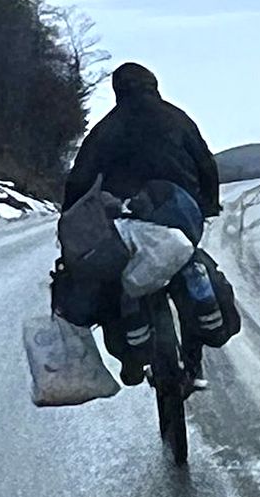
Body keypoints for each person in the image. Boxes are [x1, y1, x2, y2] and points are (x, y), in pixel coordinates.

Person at [62, 62, 221, 389]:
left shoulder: (106, 128)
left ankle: (131, 359)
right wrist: (209, 203)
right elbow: (206, 163)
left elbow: (79, 178)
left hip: (127, 220)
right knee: (186, 264)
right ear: (154, 85)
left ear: (118, 91)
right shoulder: (178, 118)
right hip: (180, 215)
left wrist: (70, 219)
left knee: (114, 280)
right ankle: (193, 363)